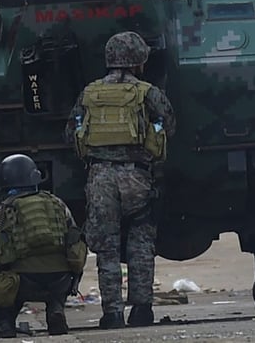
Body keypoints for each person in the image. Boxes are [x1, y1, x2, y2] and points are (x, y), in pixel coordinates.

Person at [65, 31, 175, 329]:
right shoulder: (147, 92)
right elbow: (169, 124)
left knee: (107, 248)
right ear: (139, 61)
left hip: (100, 176)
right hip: (137, 175)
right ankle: (142, 310)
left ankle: (111, 313)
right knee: (141, 244)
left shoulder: (89, 92)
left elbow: (71, 133)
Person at [0, 154, 87, 339]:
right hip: (60, 280)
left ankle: (4, 322)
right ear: (35, 177)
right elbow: (74, 238)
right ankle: (56, 308)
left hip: (20, 283)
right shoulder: (57, 203)